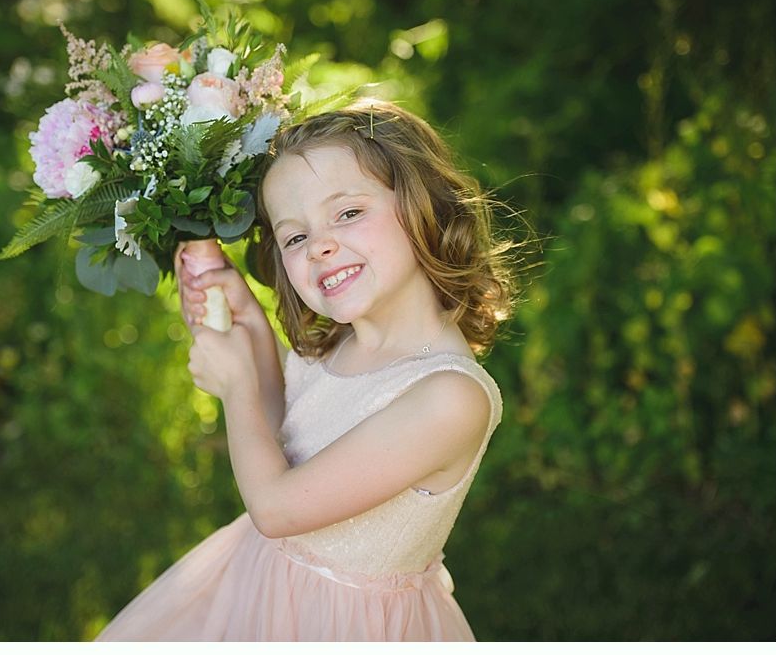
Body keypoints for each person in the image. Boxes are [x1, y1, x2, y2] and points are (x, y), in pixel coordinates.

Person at [96, 100, 515, 641]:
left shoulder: (449, 398)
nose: (319, 245)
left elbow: (275, 507)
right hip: (259, 585)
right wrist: (248, 321)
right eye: (294, 236)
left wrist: (236, 384)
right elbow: (282, 439)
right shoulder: (341, 340)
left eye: (348, 213)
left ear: (422, 205)